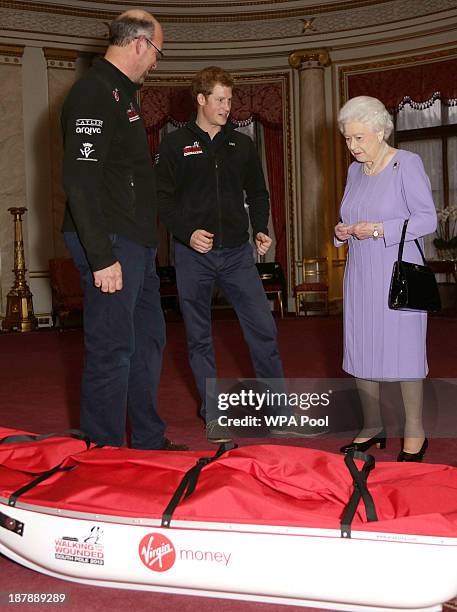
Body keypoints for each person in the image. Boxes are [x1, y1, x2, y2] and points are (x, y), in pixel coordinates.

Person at [156, 66, 314, 443]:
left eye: (230, 99)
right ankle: (213, 411)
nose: (228, 106)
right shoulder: (175, 145)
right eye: (221, 99)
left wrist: (260, 228)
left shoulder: (241, 144)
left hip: (238, 256)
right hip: (193, 256)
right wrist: (187, 233)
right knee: (199, 338)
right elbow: (160, 198)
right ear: (201, 99)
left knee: (263, 328)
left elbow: (258, 194)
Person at [61, 10, 186, 451]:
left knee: (148, 342)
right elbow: (80, 180)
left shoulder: (122, 95)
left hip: (135, 243)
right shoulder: (93, 93)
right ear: (139, 44)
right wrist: (101, 256)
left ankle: (148, 439)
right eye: (157, 52)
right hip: (109, 242)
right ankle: (102, 452)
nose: (156, 62)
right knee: (112, 349)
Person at [334, 95, 437, 462]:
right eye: (348, 139)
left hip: (397, 272)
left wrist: (378, 229)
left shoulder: (406, 164)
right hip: (361, 272)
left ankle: (415, 431)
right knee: (360, 347)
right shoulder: (353, 172)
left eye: (359, 138)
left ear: (381, 130)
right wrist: (341, 231)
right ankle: (372, 425)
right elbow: (347, 213)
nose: (353, 147)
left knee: (405, 350)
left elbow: (428, 219)